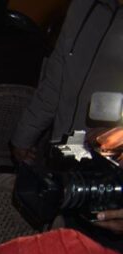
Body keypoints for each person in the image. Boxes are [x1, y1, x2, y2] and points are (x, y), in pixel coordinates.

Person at [10, 0, 123, 163]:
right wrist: (24, 136)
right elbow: (55, 81)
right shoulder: (82, 6)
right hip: (63, 154)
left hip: (109, 166)